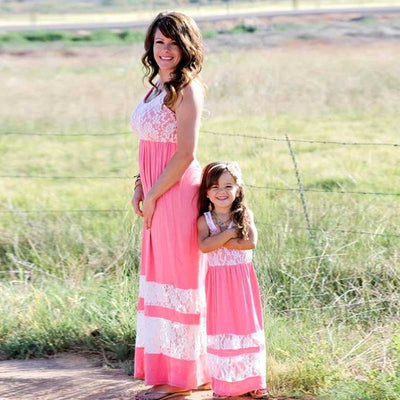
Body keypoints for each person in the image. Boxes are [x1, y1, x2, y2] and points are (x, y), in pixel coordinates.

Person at [130, 11, 210, 400]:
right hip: (156, 191)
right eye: (159, 42)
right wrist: (139, 185)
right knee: (162, 278)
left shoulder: (189, 89)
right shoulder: (155, 86)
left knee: (179, 279)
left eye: (173, 42)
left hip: (176, 193)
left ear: (186, 46)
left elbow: (184, 154)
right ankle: (183, 370)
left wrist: (155, 194)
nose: (165, 49)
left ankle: (177, 381)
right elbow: (148, 145)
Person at [197, 162, 269, 400]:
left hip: (242, 281)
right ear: (206, 192)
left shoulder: (245, 215)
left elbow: (250, 242)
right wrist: (228, 234)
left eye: (229, 185)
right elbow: (204, 246)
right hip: (218, 284)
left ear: (238, 189)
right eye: (215, 186)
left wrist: (218, 239)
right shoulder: (204, 220)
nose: (222, 191)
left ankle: (253, 381)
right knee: (223, 329)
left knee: (246, 327)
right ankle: (226, 384)